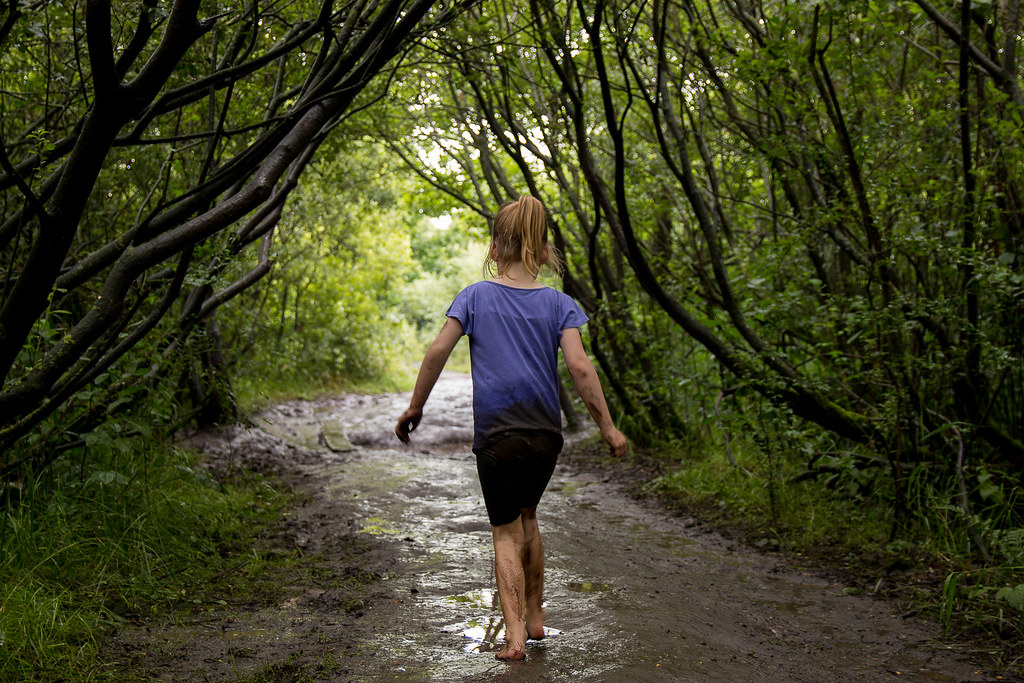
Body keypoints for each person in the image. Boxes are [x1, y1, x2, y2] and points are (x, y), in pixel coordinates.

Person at [395, 195, 628, 662]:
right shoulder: (560, 304)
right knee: (529, 517)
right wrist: (608, 427)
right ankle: (537, 617)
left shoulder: (475, 296)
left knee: (505, 532)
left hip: (499, 436)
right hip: (545, 435)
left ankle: (516, 637)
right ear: (543, 252)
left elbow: (437, 352)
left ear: (495, 249)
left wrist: (415, 406)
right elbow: (581, 368)